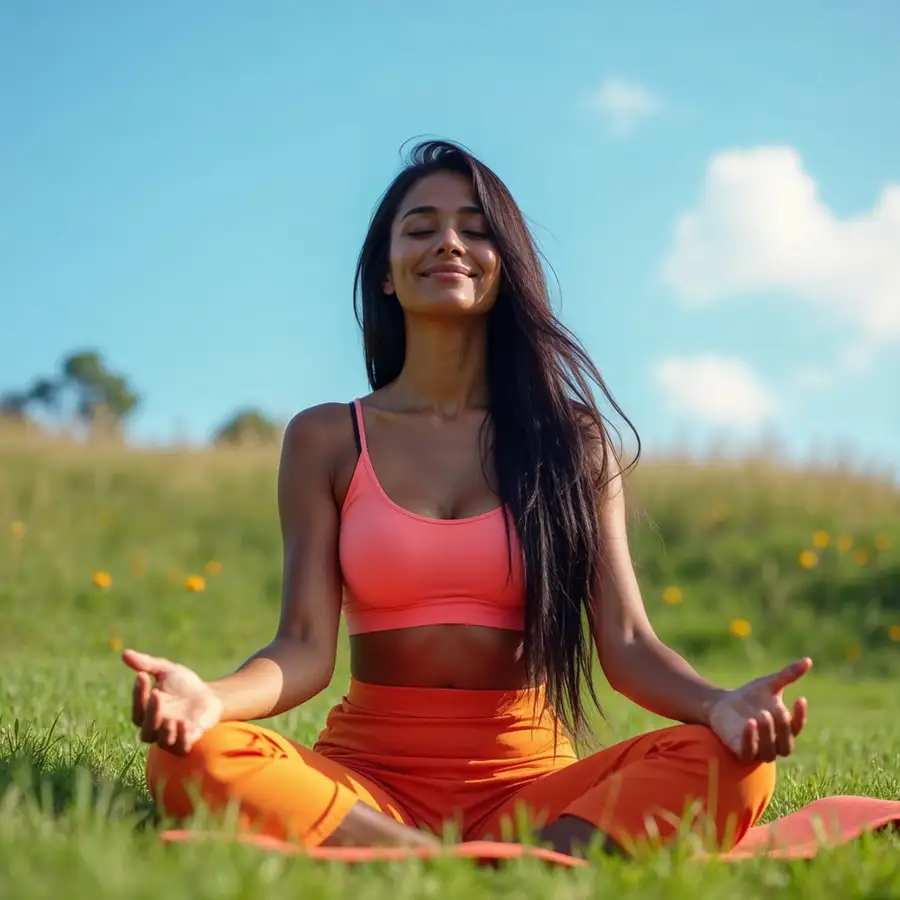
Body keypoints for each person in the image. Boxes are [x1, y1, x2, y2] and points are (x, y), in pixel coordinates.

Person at [123, 139, 811, 858]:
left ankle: (441, 857)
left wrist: (719, 706)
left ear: (503, 267)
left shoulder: (570, 441)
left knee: (735, 764)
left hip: (533, 789)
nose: (448, 241)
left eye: (476, 229)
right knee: (191, 755)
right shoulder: (328, 437)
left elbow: (630, 643)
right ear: (386, 273)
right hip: (366, 781)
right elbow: (301, 647)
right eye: (420, 228)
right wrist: (210, 699)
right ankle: (467, 863)